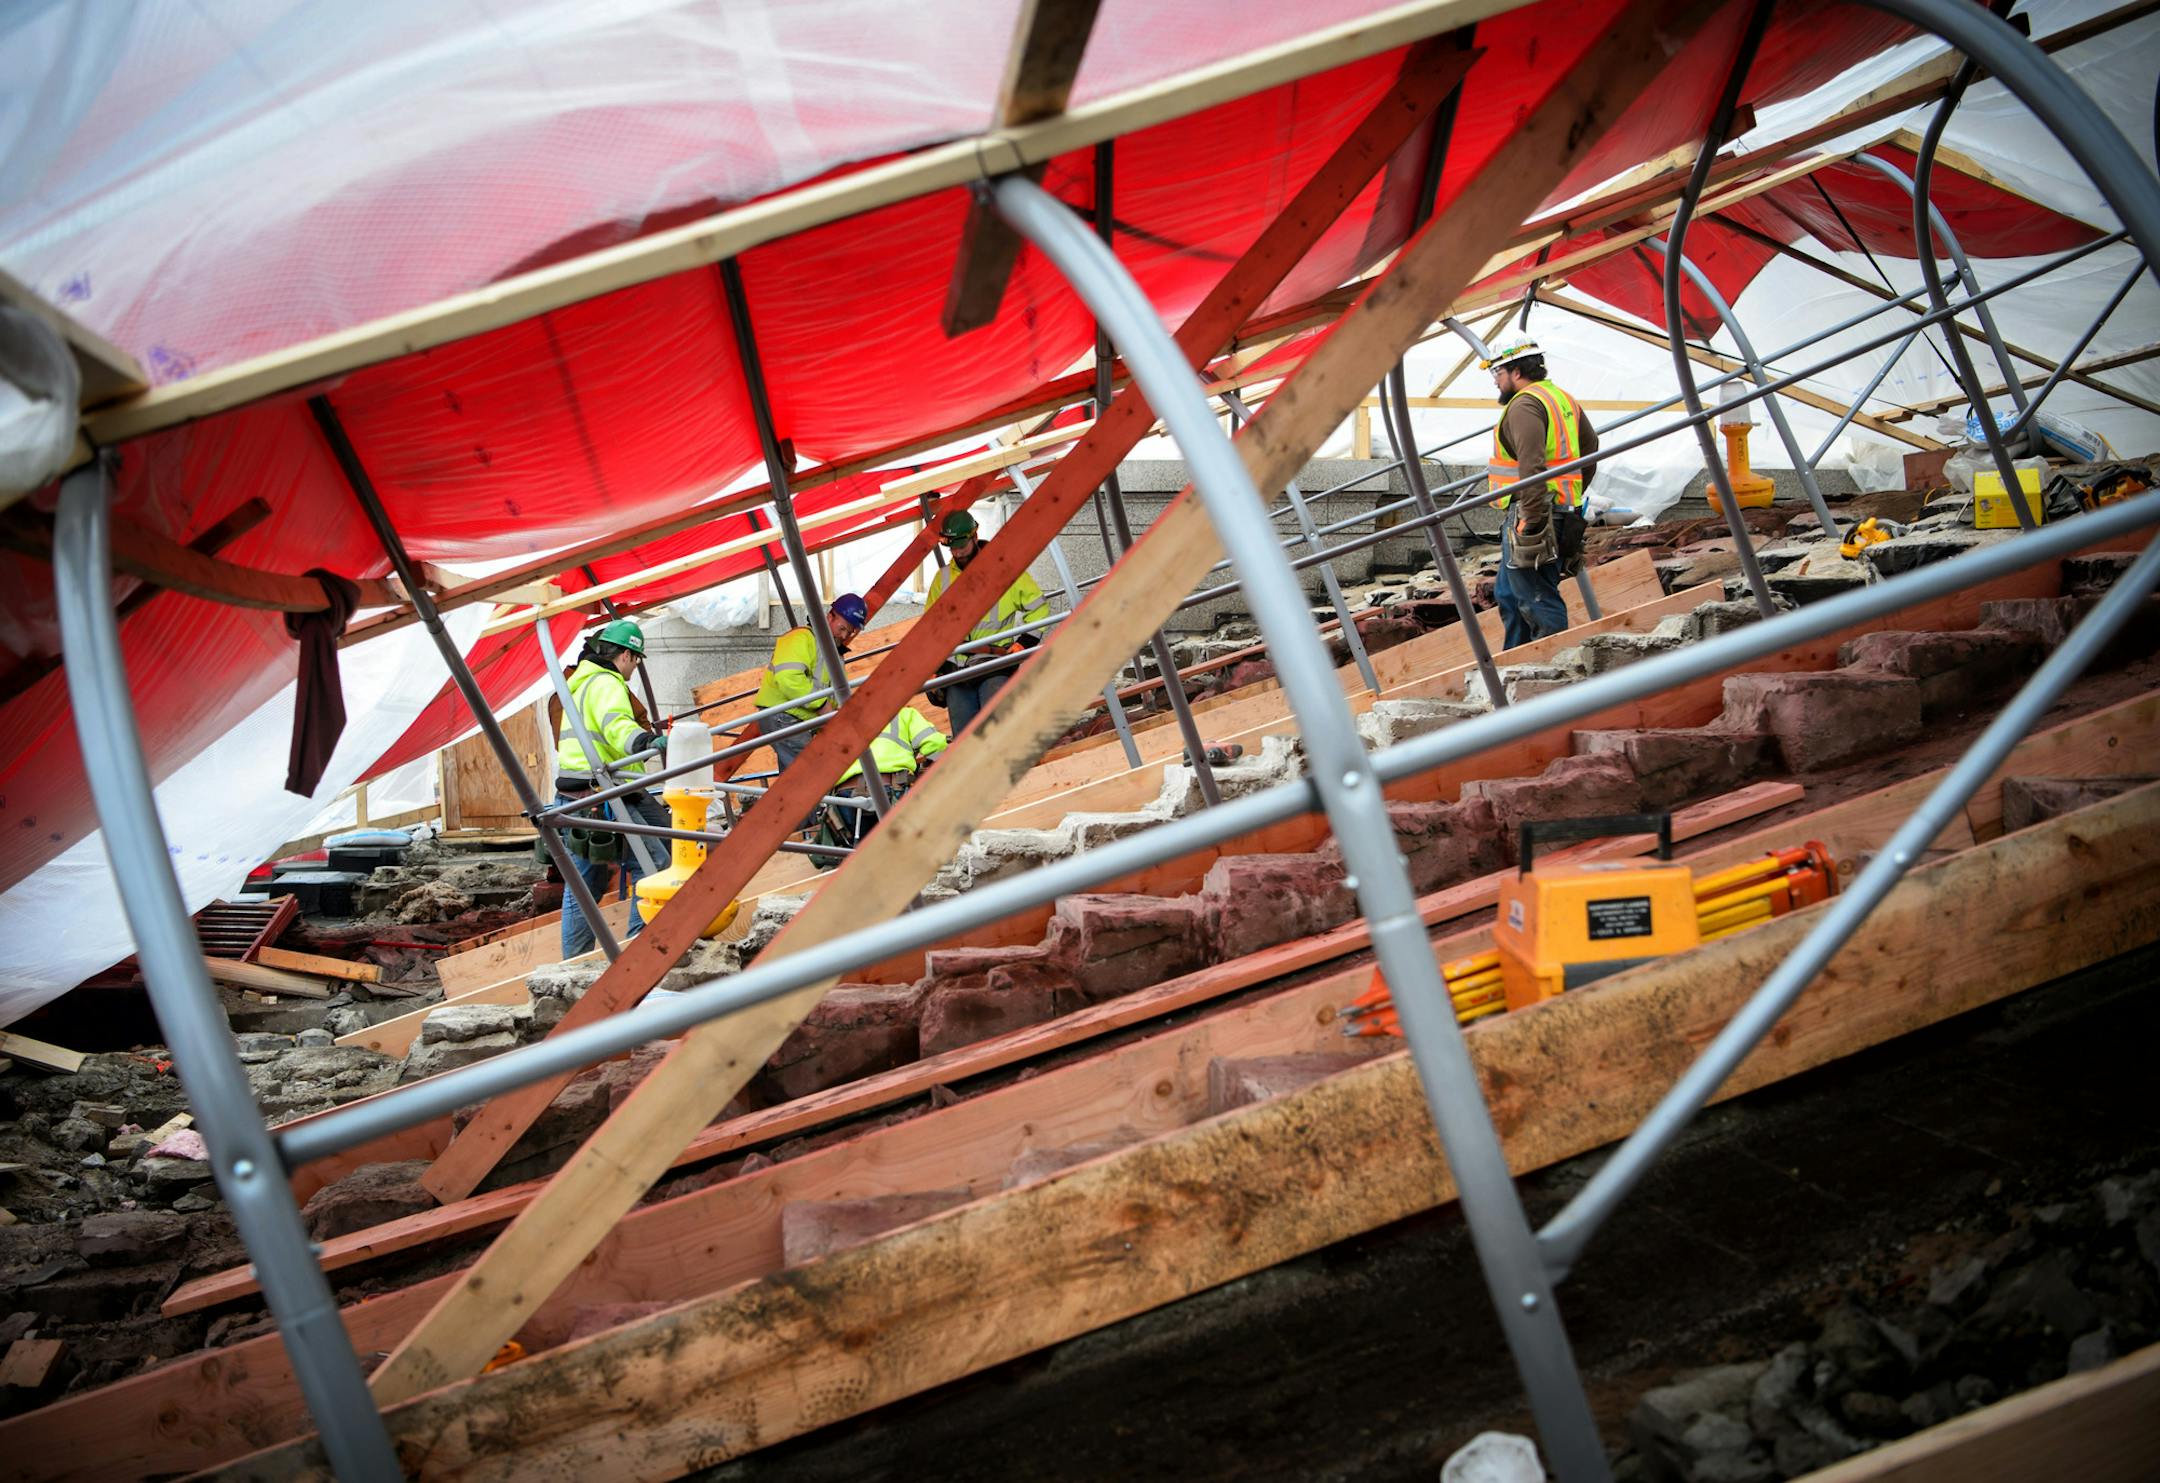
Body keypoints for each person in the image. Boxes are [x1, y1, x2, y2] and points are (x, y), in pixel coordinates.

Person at [552, 618, 667, 958]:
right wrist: (647, 740)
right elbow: (616, 726)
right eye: (636, 660)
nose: (634, 667)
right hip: (602, 793)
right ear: (627, 656)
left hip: (580, 791)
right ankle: (637, 950)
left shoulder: (579, 682)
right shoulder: (607, 683)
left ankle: (573, 966)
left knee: (583, 887)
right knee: (654, 864)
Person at [1483, 334, 1599, 649]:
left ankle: (1555, 673)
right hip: (1556, 509)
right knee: (1509, 594)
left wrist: (1531, 520)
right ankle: (1516, 667)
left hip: (1536, 514)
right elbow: (1591, 450)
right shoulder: (1560, 398)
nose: (1495, 381)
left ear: (1515, 370)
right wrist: (1569, 496)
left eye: (1497, 373)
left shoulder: (1524, 405)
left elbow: (1531, 467)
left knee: (1537, 596)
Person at [921, 510, 1048, 733]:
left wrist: (1022, 645)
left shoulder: (1004, 570)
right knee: (964, 740)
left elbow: (1039, 609)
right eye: (953, 547)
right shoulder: (942, 579)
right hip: (955, 672)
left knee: (997, 731)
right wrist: (934, 670)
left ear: (975, 536)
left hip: (994, 664)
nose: (957, 552)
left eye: (962, 545)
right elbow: (929, 628)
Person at [752, 593, 868, 774]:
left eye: (850, 631)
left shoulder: (830, 650)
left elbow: (831, 692)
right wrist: (821, 705)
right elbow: (788, 678)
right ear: (830, 615)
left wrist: (836, 713)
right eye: (842, 628)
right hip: (784, 716)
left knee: (793, 781)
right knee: (809, 775)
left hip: (792, 717)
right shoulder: (801, 638)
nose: (844, 635)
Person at [815, 705, 947, 862]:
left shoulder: (837, 722)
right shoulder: (904, 713)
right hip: (891, 788)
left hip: (845, 798)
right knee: (904, 851)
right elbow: (935, 744)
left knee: (865, 857)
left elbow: (819, 769)